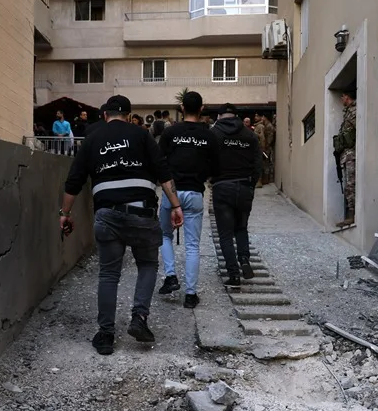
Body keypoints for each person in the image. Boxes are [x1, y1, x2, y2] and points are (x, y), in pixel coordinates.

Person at [60, 95, 184, 356]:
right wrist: (176, 206)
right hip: (142, 212)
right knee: (147, 264)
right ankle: (139, 318)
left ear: (105, 115)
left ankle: (106, 335)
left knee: (108, 274)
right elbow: (163, 172)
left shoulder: (92, 138)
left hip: (108, 215)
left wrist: (65, 213)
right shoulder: (142, 136)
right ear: (128, 116)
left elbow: (74, 180)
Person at [156, 91, 220, 308]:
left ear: (182, 108)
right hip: (194, 193)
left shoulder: (170, 133)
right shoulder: (209, 136)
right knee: (192, 245)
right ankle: (191, 295)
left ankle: (171, 276)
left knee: (165, 235)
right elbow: (215, 168)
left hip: (171, 192)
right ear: (201, 109)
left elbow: (159, 162)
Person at [210, 103, 262, 287]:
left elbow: (206, 160)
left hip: (222, 186)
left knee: (225, 234)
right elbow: (258, 165)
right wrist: (251, 185)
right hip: (244, 186)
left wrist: (211, 178)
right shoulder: (250, 135)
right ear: (237, 116)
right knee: (241, 228)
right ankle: (244, 260)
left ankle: (233, 274)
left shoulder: (213, 134)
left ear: (219, 116)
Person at [333, 90, 356, 227]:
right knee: (348, 184)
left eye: (342, 97)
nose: (341, 100)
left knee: (350, 184)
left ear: (347, 96)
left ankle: (351, 214)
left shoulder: (353, 111)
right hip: (346, 154)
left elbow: (357, 130)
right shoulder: (347, 112)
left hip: (351, 154)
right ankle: (350, 213)